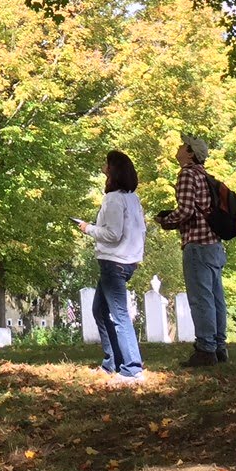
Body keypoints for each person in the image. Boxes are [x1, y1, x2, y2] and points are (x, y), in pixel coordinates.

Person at [74, 149, 146, 383]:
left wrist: (88, 229)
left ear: (114, 171)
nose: (103, 167)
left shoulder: (114, 198)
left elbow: (113, 234)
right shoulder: (133, 199)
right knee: (100, 310)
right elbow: (138, 232)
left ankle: (132, 368)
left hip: (114, 262)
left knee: (119, 314)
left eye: (107, 164)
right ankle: (112, 363)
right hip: (126, 261)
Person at [157, 134, 229, 366]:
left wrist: (167, 220)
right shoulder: (205, 176)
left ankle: (206, 349)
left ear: (190, 153)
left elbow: (186, 210)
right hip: (214, 244)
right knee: (216, 297)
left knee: (200, 298)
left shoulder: (187, 174)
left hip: (198, 244)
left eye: (183, 145)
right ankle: (219, 347)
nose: (178, 147)